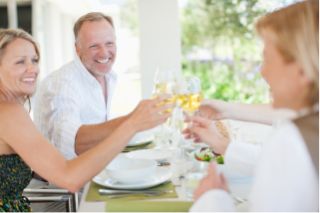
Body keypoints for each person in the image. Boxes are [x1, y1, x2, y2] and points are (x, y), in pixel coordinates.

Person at [0, 28, 170, 211]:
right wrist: (132, 125)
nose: (32, 69)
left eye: (34, 60)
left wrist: (132, 121)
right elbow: (70, 178)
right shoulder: (9, 113)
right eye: (20, 62)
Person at [187, 0, 319, 211]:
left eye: (268, 58)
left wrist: (212, 199)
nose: (262, 71)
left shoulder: (291, 139)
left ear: (301, 69)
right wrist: (225, 127)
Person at [33, 12, 127, 159]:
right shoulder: (63, 83)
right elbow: (69, 144)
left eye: (109, 43)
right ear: (78, 49)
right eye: (94, 46)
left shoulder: (108, 76)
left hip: (95, 168)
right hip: (57, 179)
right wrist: (131, 122)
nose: (104, 53)